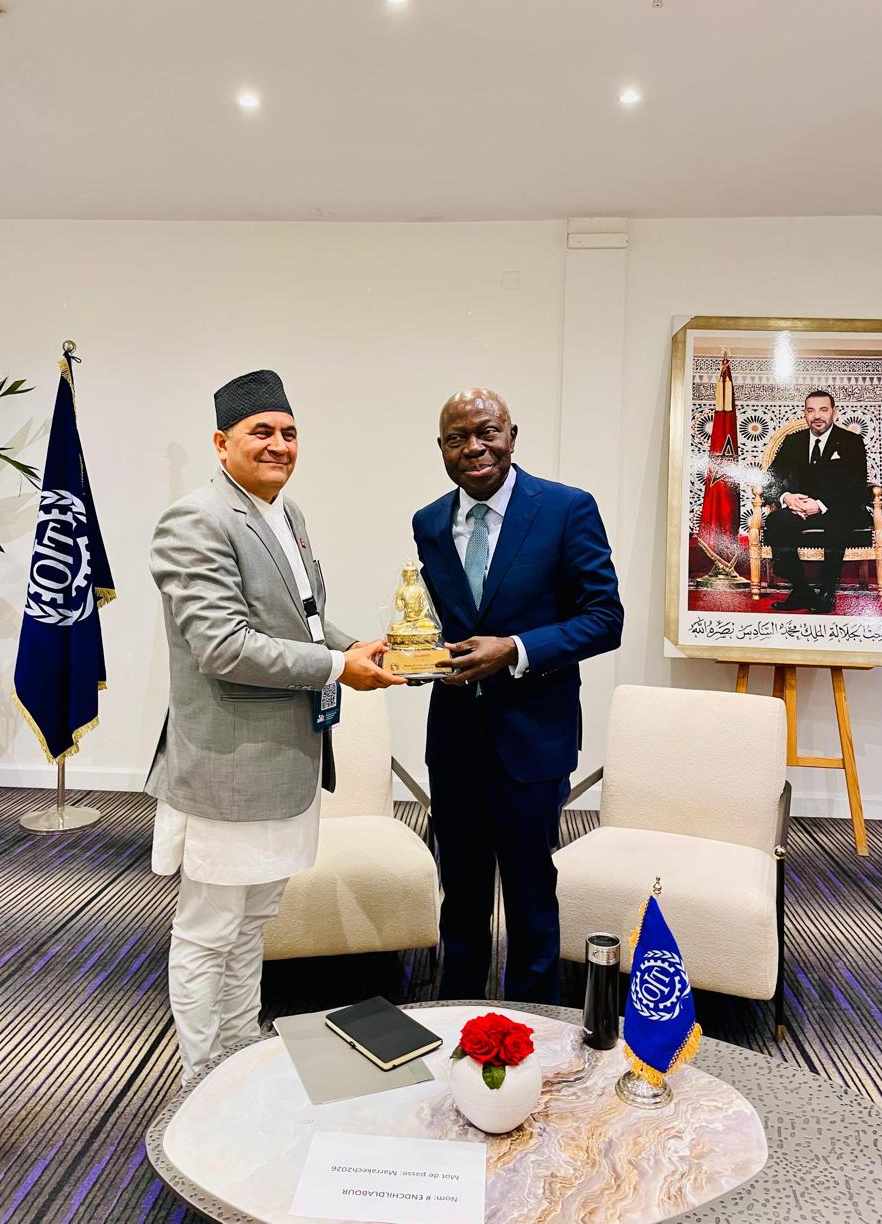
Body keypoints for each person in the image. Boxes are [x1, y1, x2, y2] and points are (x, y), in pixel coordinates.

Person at [146, 369, 401, 1082]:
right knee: (208, 933)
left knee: (254, 924)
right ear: (220, 443)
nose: (279, 445)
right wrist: (337, 667)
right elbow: (223, 647)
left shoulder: (287, 514)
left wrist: (358, 647)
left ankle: (236, 1058)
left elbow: (302, 622)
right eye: (261, 432)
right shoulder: (196, 520)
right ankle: (200, 1080)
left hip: (286, 761)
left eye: (289, 433)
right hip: (229, 766)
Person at [411, 388, 623, 1003]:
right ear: (442, 448)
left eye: (487, 432)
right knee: (461, 894)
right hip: (454, 738)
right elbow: (444, 621)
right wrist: (422, 657)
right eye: (458, 438)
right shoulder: (428, 522)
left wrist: (515, 649)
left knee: (531, 895)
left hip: (533, 737)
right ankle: (456, 1012)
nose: (474, 448)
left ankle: (536, 1025)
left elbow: (604, 619)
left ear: (511, 436)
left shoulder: (566, 509)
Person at [764, 390, 869, 614]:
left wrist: (820, 505)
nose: (817, 416)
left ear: (834, 412)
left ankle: (826, 592)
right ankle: (801, 589)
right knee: (776, 521)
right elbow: (769, 479)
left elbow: (856, 487)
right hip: (799, 509)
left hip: (838, 507)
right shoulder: (794, 441)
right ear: (805, 413)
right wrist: (787, 498)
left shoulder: (851, 442)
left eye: (823, 409)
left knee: (838, 521)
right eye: (811, 410)